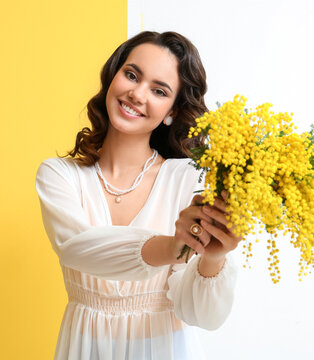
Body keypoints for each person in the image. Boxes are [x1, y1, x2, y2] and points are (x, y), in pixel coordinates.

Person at [35, 31, 241, 360]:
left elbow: (203, 316)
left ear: (172, 111)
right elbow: (77, 249)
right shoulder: (60, 175)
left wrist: (214, 257)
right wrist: (174, 247)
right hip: (85, 347)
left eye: (159, 90)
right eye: (131, 75)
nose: (136, 93)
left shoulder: (191, 179)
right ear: (113, 76)